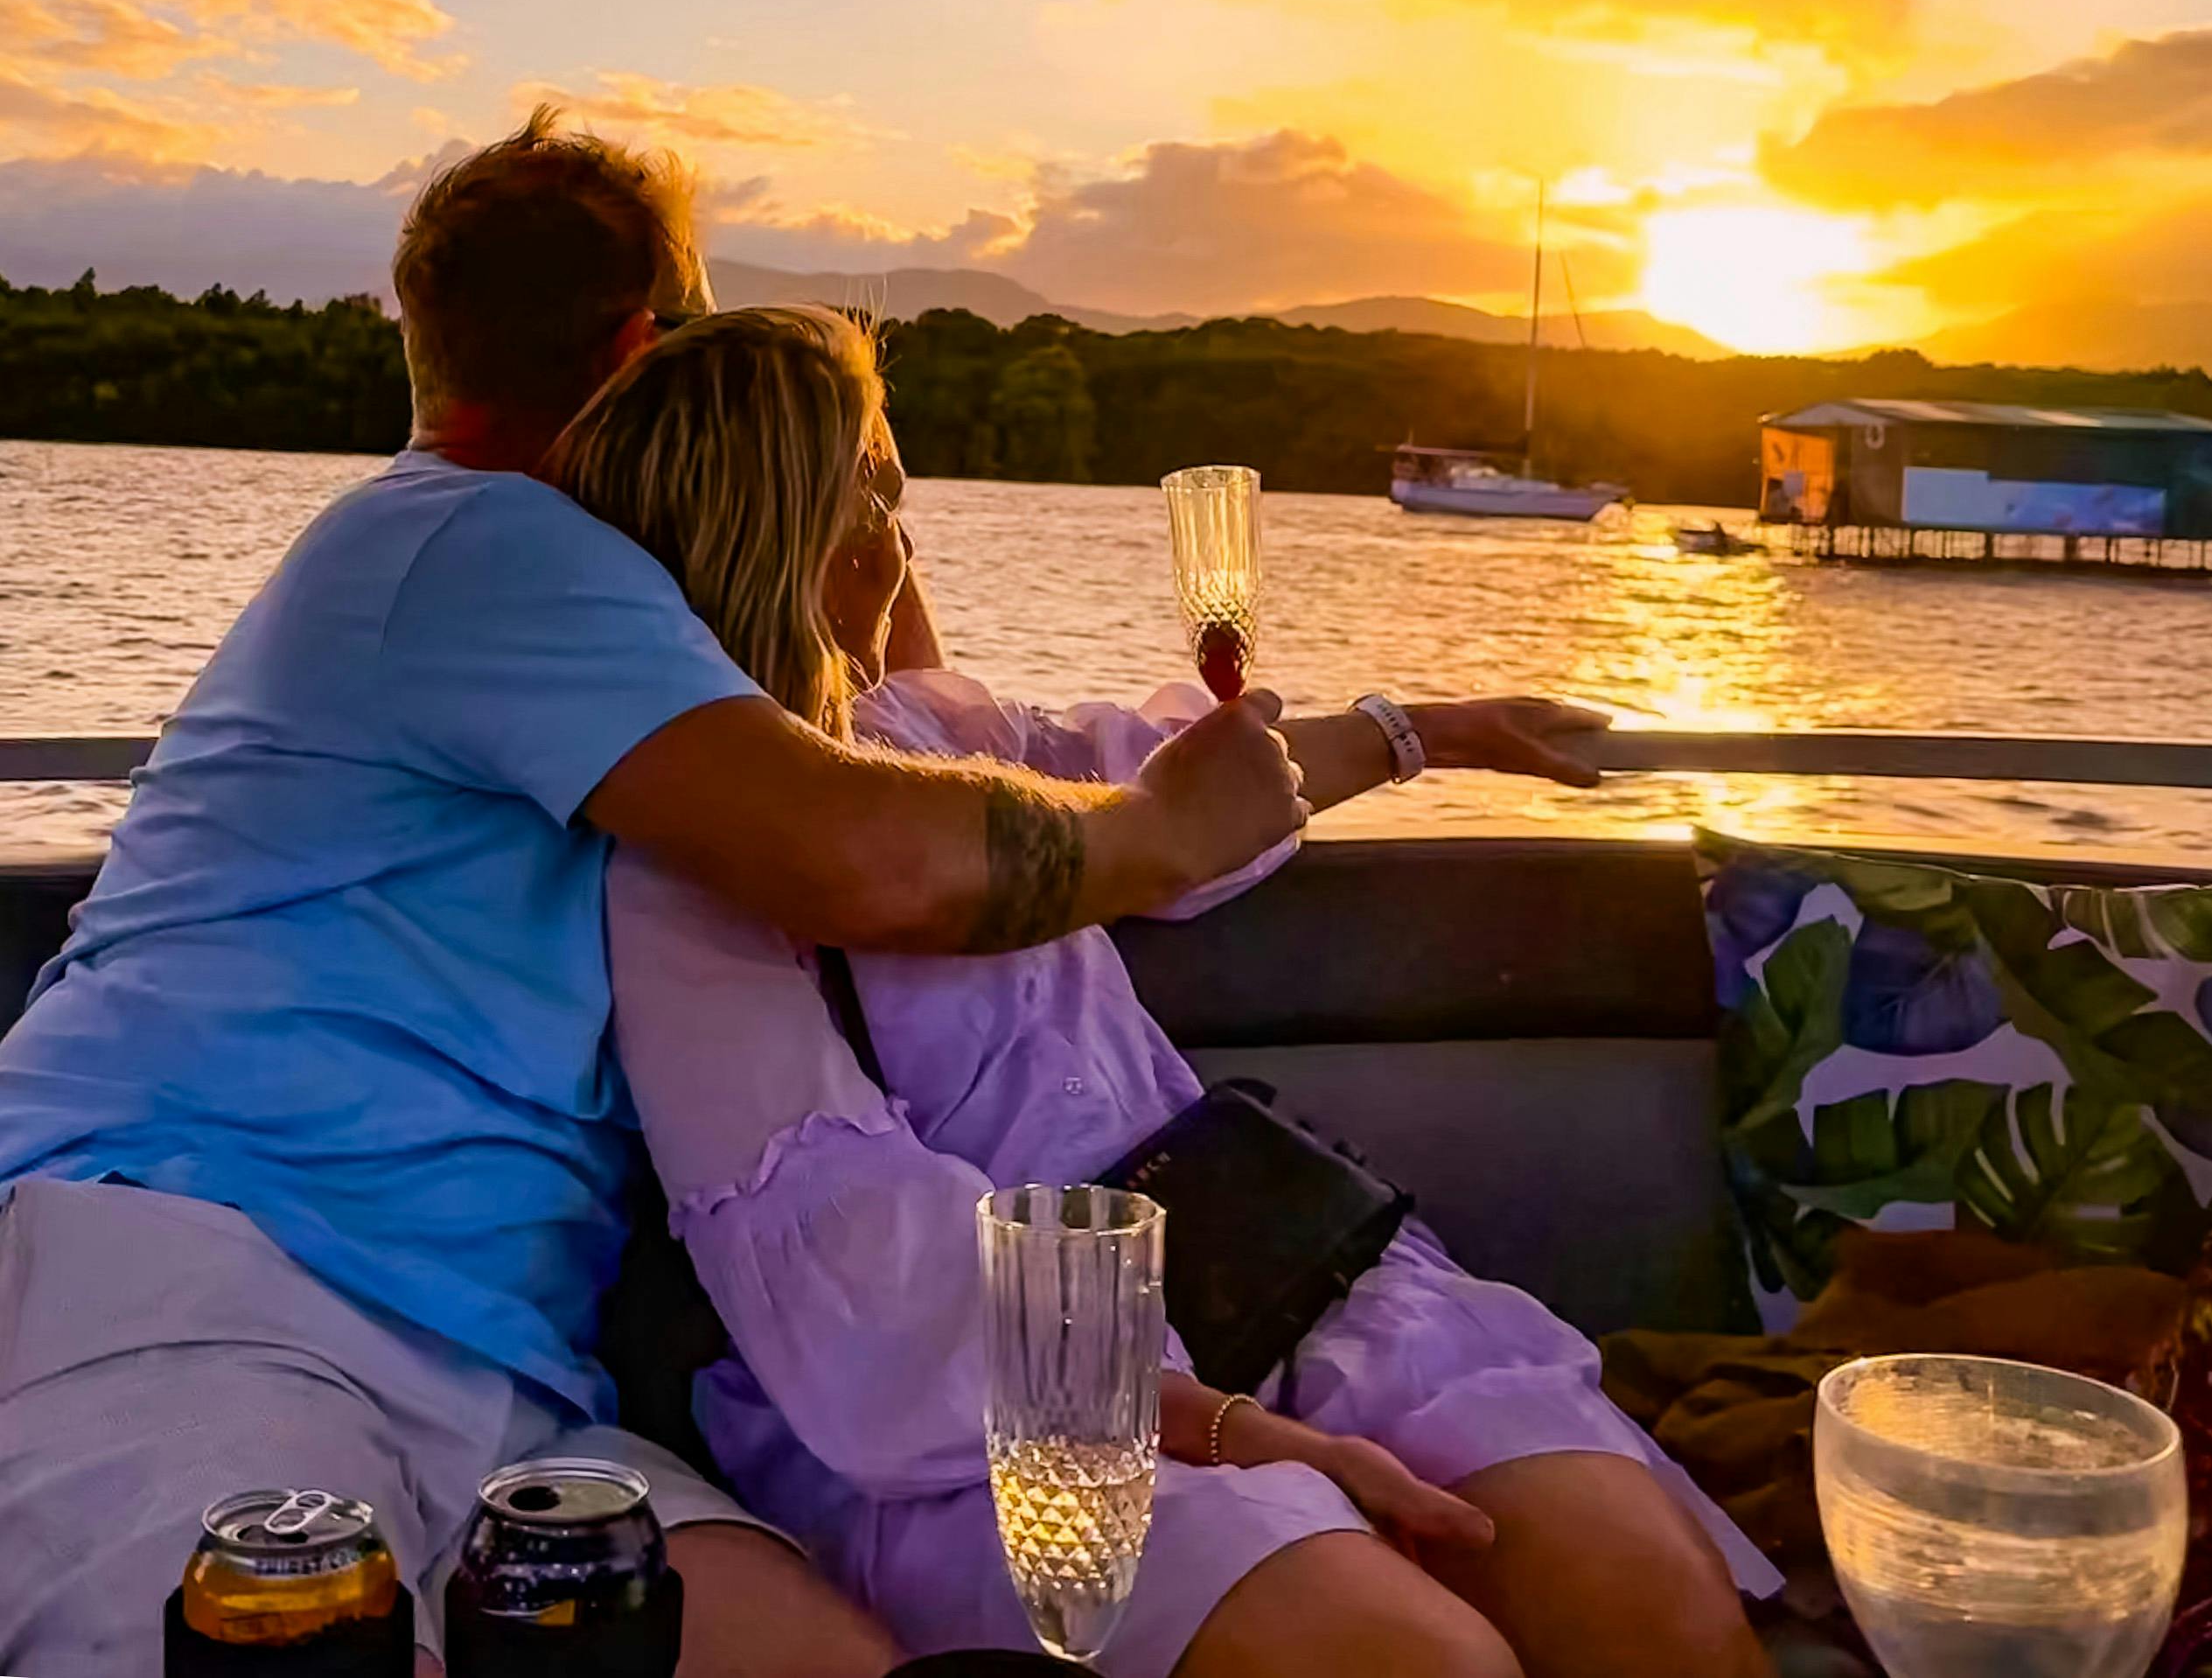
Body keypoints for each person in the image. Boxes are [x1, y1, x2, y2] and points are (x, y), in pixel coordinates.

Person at [0, 114, 1304, 1678]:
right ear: (641, 348)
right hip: (202, 1274)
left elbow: (900, 704)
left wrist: (852, 501)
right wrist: (1164, 830)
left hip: (496, 1359)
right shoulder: (484, 537)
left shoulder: (586, 600)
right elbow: (868, 853)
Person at [541, 307, 1785, 1678]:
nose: (907, 537)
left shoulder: (938, 731)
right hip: (990, 1409)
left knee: (1644, 1610)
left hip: (1261, 1264)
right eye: (885, 492)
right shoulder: (686, 879)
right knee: (1416, 1663)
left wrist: (1428, 728)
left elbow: (1161, 791)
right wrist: (1243, 1433)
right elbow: (868, 1287)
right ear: (826, 536)